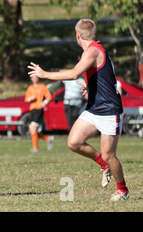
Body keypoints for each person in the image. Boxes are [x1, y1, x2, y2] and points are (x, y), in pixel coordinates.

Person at [28, 18, 129, 201]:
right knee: (74, 142)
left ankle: (122, 189)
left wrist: (45, 74)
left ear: (77, 36)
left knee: (109, 154)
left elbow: (74, 73)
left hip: (109, 111)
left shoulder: (92, 51)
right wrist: (90, 90)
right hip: (94, 109)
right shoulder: (94, 50)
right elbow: (104, 79)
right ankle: (103, 165)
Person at [24, 75, 53, 152]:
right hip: (32, 110)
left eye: (36, 77)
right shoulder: (30, 88)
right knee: (32, 130)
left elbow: (49, 97)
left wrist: (44, 102)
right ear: (31, 79)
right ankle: (47, 139)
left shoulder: (42, 87)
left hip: (39, 110)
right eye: (33, 77)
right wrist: (31, 98)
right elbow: (26, 99)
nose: (35, 79)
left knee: (33, 128)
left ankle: (35, 148)